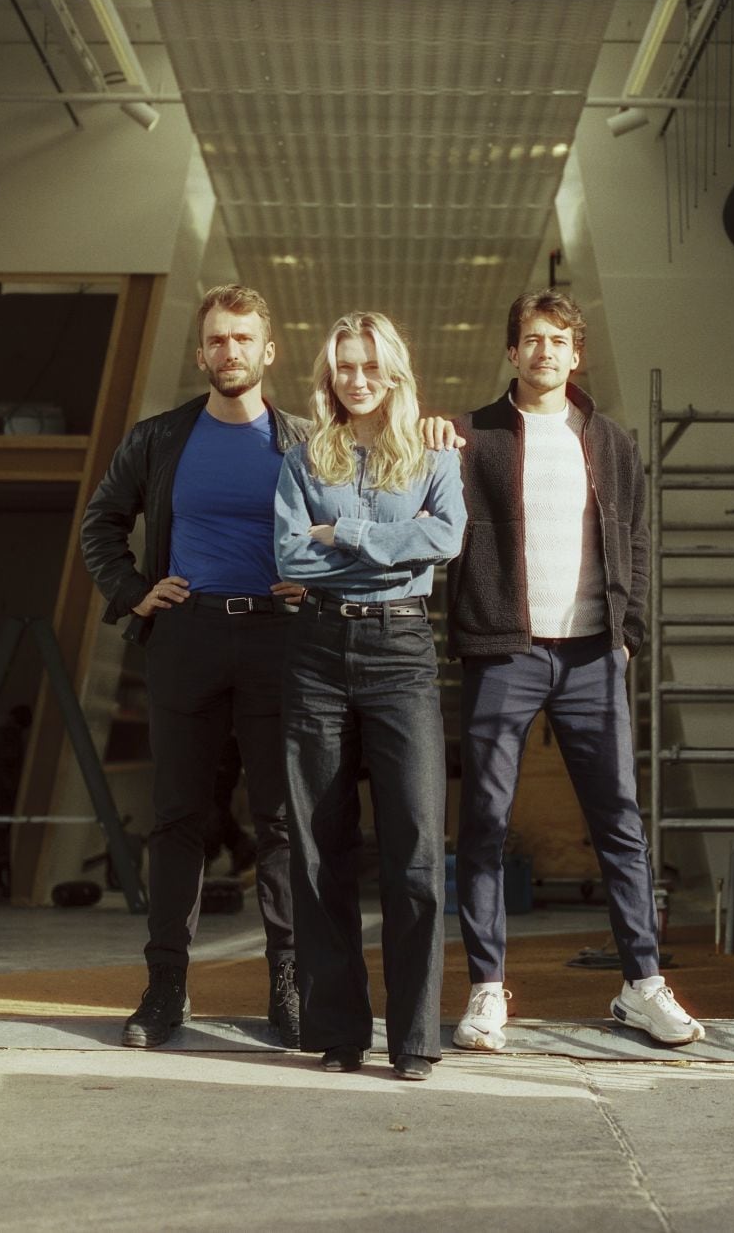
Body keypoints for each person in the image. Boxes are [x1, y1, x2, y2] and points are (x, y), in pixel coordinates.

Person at [443, 290, 705, 1049]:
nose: (544, 351)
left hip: (593, 652)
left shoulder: (613, 442)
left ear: (576, 352)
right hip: (505, 649)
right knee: (486, 822)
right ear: (511, 351)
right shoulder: (471, 435)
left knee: (619, 822)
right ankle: (488, 990)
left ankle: (641, 984)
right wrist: (430, 429)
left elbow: (638, 539)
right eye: (531, 338)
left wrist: (629, 630)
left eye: (558, 339)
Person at [79, 283, 309, 1049]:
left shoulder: (306, 441)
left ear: (267, 350)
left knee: (279, 819)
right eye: (217, 339)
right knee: (179, 817)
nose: (229, 351)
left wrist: (316, 581)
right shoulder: (159, 438)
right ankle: (166, 986)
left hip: (278, 641)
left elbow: (352, 524)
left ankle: (290, 982)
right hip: (187, 637)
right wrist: (137, 592)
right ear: (201, 350)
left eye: (243, 338)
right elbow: (101, 523)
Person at [274, 312, 465, 1081]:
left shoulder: (433, 453)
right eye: (345, 367)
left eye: (371, 367)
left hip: (401, 649)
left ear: (395, 374)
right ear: (329, 376)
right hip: (315, 651)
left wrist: (340, 533)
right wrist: (389, 539)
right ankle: (339, 1033)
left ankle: (415, 1038)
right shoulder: (301, 458)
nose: (357, 379)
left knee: (415, 848)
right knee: (319, 849)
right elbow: (287, 553)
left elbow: (445, 538)